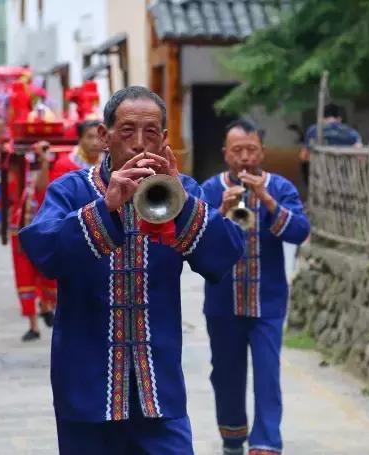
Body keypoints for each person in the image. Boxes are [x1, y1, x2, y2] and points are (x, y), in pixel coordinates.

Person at [18, 86, 244, 454]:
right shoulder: (71, 191)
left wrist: (182, 204)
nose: (139, 143)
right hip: (87, 391)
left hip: (159, 392)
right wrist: (105, 208)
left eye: (151, 132)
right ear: (104, 137)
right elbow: (44, 254)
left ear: (164, 140)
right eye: (127, 131)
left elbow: (224, 253)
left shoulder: (182, 190)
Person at [200, 119, 310, 455]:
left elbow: (300, 231)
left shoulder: (280, 187)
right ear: (225, 154)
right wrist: (221, 210)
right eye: (237, 151)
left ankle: (265, 444)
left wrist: (267, 200)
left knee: (267, 375)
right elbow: (196, 242)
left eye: (251, 150)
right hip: (223, 304)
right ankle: (232, 438)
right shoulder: (210, 189)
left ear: (262, 151)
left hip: (268, 303)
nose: (245, 158)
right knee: (226, 375)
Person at [11, 121, 105, 342]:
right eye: (88, 137)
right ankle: (34, 322)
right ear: (79, 139)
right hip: (57, 224)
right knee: (29, 272)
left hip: (92, 230)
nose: (93, 143)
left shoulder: (108, 166)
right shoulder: (65, 164)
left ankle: (50, 307)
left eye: (97, 137)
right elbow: (49, 195)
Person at [300, 103, 362, 189]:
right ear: (339, 118)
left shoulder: (313, 131)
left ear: (321, 118)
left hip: (320, 181)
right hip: (345, 182)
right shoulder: (352, 133)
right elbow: (360, 158)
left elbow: (304, 156)